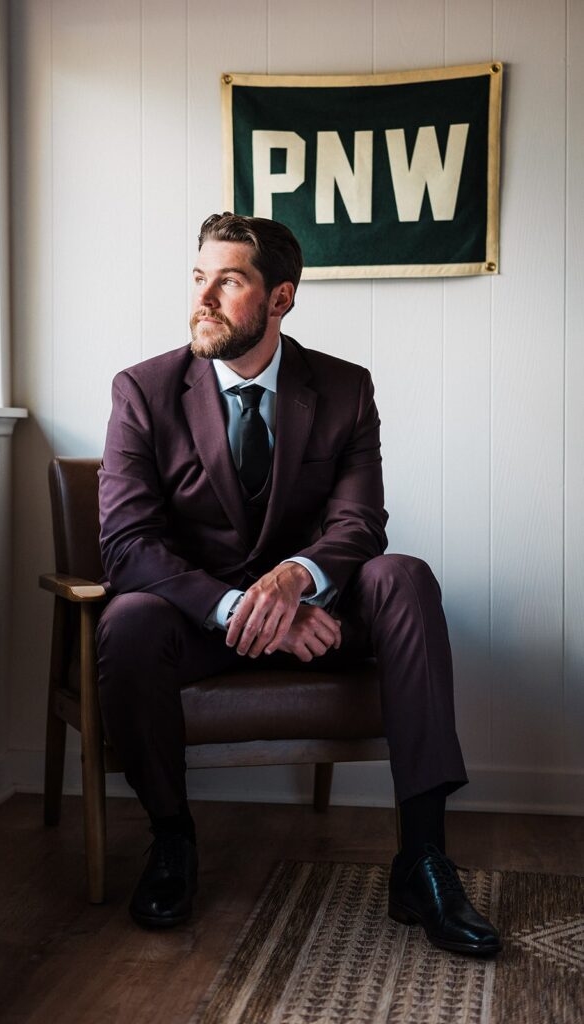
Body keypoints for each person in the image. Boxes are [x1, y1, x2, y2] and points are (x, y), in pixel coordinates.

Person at [97, 212, 501, 957]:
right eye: (198, 277)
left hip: (324, 622)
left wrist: (294, 581)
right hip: (200, 630)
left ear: (280, 298)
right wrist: (245, 609)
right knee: (127, 619)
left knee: (403, 577)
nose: (203, 297)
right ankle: (171, 841)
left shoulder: (344, 389)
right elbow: (127, 543)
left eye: (229, 280)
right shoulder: (143, 391)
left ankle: (422, 858)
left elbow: (359, 522)